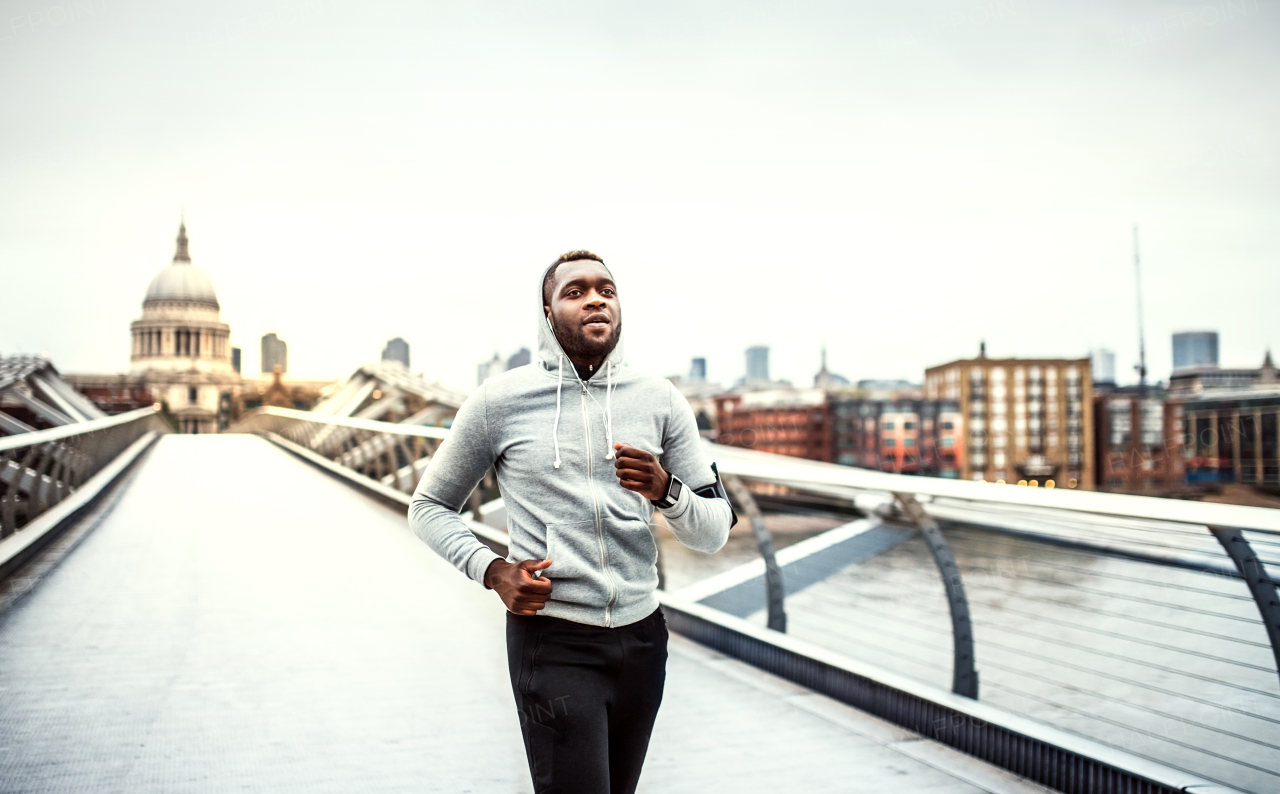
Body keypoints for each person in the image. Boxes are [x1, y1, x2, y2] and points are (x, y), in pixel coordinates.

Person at [409, 250, 735, 794]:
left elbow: (714, 531)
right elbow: (428, 506)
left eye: (606, 289)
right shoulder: (498, 402)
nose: (595, 299)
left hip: (643, 638)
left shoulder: (661, 400)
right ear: (547, 311)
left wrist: (665, 489)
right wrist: (493, 571)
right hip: (553, 639)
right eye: (575, 291)